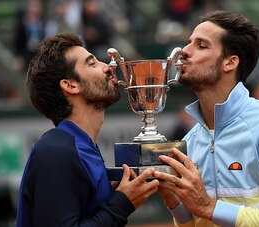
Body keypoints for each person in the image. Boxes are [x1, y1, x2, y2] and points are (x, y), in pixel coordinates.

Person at [153, 10, 259, 226]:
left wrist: (209, 207)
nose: (184, 51)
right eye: (188, 43)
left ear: (229, 63)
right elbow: (201, 220)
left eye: (201, 45)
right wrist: (176, 204)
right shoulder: (191, 140)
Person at [16, 32, 159, 227]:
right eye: (92, 64)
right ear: (70, 85)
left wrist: (113, 197)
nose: (108, 67)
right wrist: (122, 203)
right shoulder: (56, 152)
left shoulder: (80, 147)